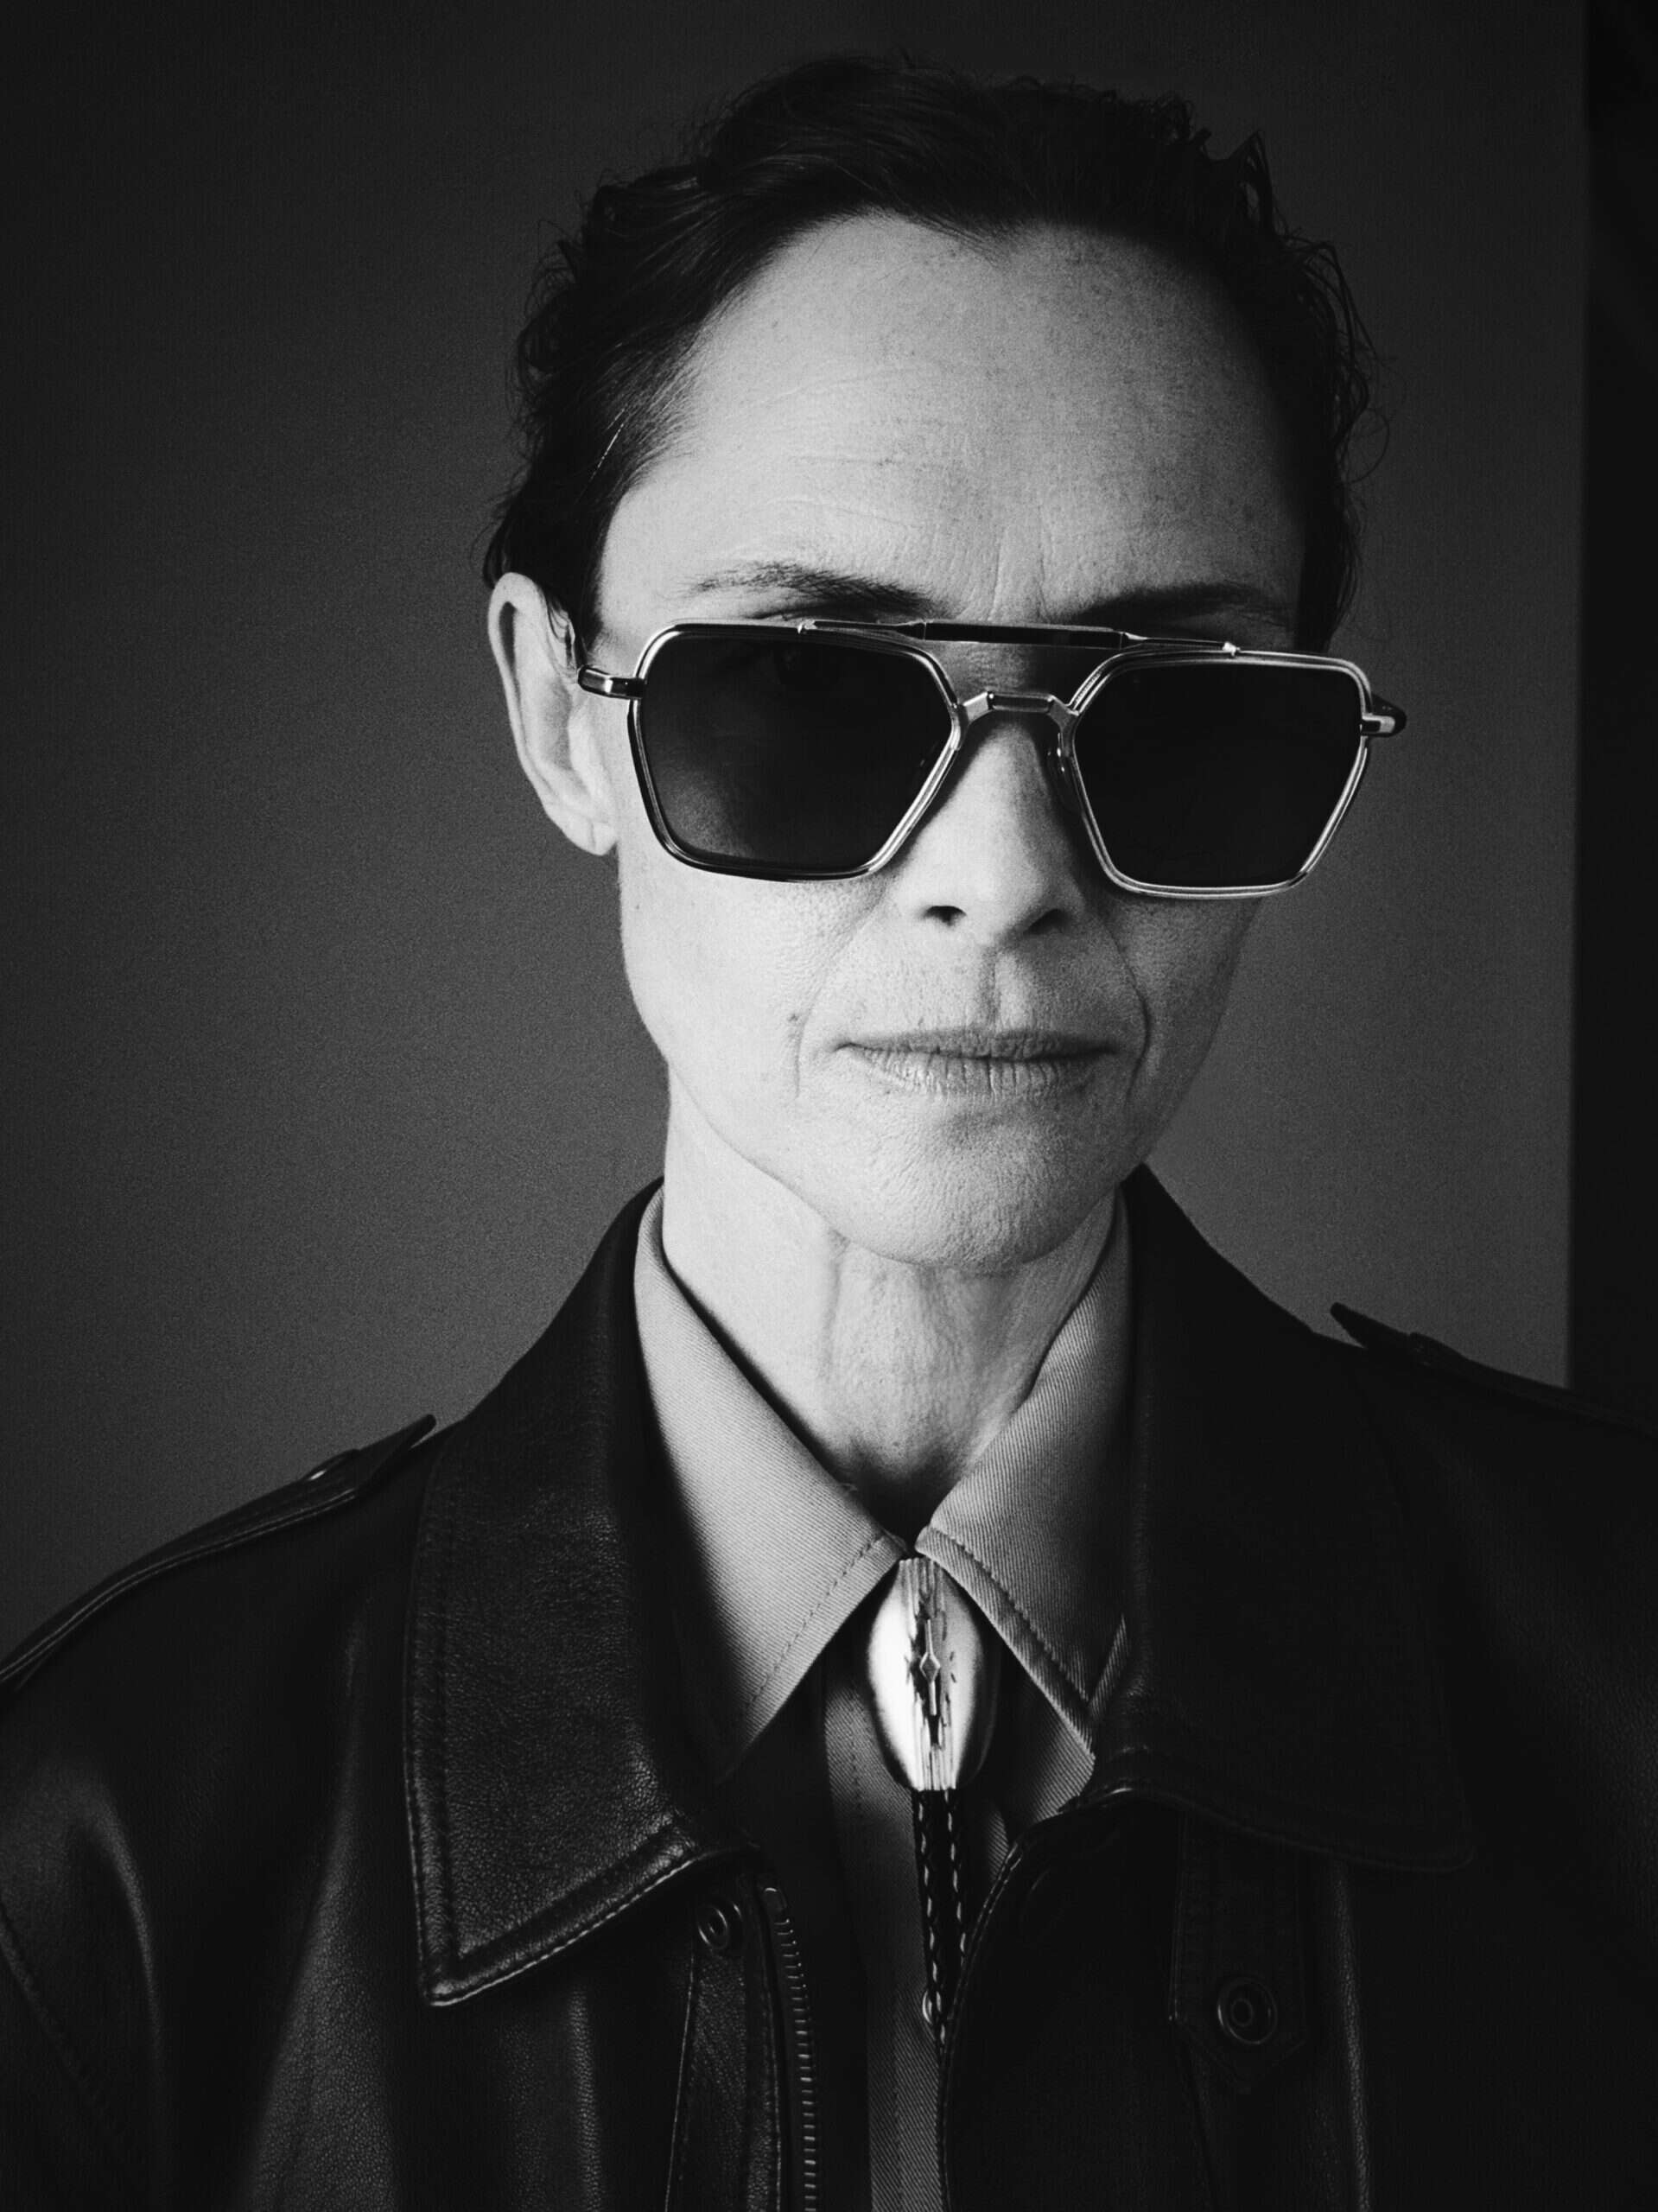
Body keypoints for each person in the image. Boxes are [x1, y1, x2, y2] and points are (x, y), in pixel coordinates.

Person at [1, 52, 1654, 2212]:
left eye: (1177, 712)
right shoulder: (103, 1859)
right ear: (560, 716)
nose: (1004, 873)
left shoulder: (1626, 1688)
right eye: (805, 687)